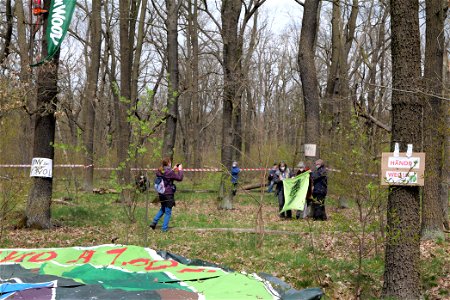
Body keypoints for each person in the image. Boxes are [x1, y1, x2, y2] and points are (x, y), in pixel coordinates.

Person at [150, 158, 184, 232]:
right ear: (168, 163)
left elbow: (167, 175)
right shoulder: (169, 172)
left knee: (163, 208)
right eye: (170, 162)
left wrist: (173, 169)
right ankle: (164, 229)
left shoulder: (160, 170)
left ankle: (154, 222)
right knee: (168, 211)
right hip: (168, 194)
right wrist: (180, 170)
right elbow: (180, 178)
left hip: (161, 193)